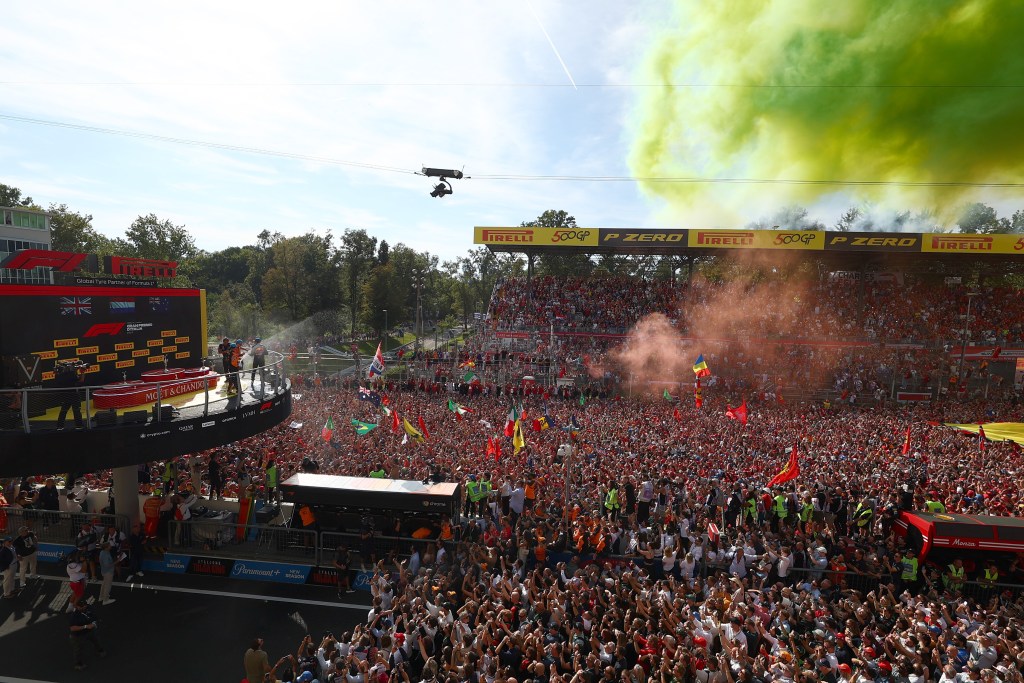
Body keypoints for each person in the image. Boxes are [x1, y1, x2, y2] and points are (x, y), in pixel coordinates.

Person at [69, 600, 105, 670]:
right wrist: (85, 626)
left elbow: (93, 616)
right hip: (78, 635)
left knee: (96, 640)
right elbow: (72, 628)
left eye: (85, 605)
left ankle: (100, 650)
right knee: (78, 650)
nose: (84, 607)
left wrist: (94, 623)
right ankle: (78, 664)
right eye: (82, 606)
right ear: (77, 606)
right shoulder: (74, 616)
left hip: (90, 631)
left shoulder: (88, 608)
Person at [54, 360, 85, 430]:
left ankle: (60, 426)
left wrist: (56, 371)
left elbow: (56, 379)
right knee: (76, 411)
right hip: (74, 395)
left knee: (63, 411)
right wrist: (82, 372)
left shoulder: (61, 376)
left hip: (65, 395)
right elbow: (81, 381)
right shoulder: (72, 375)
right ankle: (79, 426)